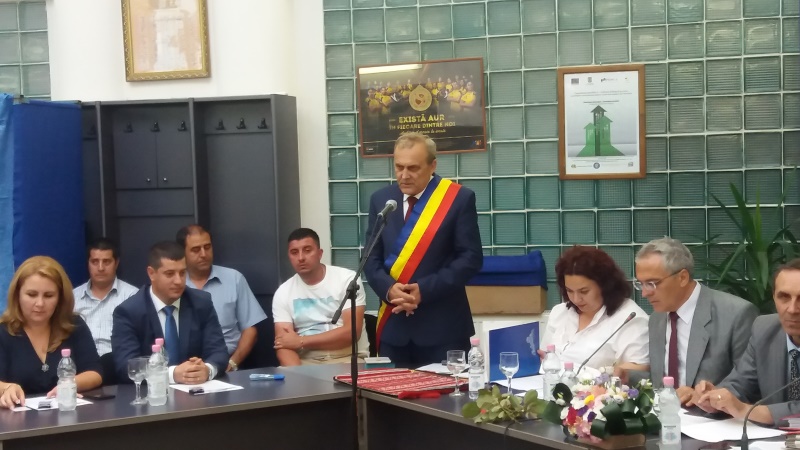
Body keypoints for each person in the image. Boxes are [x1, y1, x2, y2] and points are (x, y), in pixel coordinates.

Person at [364, 132, 483, 367]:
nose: (404, 175)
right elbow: (369, 258)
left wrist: (423, 290)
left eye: (413, 168)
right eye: (399, 167)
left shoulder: (458, 199)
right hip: (394, 328)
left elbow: (470, 259)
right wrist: (389, 290)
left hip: (443, 329)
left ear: (432, 166)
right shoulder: (381, 200)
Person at [630, 237, 758, 404]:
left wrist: (705, 397)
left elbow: (751, 384)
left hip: (714, 417)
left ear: (682, 277)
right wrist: (626, 376)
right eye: (641, 284)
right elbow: (660, 381)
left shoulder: (736, 314)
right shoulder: (657, 318)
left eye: (652, 283)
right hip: (666, 415)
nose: (645, 293)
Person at [694, 259, 800, 424]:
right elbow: (740, 384)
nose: (792, 309)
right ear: (774, 297)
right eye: (784, 297)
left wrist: (745, 410)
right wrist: (716, 398)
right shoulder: (764, 329)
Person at [111, 241, 228, 385]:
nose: (178, 281)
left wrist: (207, 370)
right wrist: (172, 374)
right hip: (151, 395)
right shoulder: (129, 312)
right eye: (170, 274)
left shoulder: (201, 303)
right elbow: (126, 365)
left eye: (182, 273)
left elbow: (219, 352)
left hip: (197, 392)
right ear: (151, 273)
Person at [0, 256, 102, 409]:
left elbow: (95, 372)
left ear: (60, 298)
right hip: (17, 418)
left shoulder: (74, 325)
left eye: (49, 296)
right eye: (32, 295)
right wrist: (6, 388)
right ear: (17, 295)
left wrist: (70, 384)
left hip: (68, 413)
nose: (40, 303)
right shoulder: (3, 331)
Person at [539, 246, 649, 373]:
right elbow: (544, 355)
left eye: (584, 291)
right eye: (569, 291)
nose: (576, 299)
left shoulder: (629, 317)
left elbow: (640, 368)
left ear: (605, 286)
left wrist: (606, 373)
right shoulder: (560, 312)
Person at [272, 228, 368, 365]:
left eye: (307, 250)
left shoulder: (348, 280)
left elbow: (351, 333)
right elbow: (283, 344)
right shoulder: (283, 292)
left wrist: (301, 341)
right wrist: (299, 374)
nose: (301, 258)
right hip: (305, 361)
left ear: (320, 253)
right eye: (294, 252)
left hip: (347, 358)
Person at [177, 225, 267, 372]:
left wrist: (232, 364)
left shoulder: (234, 279)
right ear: (183, 253)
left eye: (207, 247)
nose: (203, 254)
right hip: (185, 367)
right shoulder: (176, 284)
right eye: (196, 250)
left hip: (227, 364)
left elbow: (250, 330)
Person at [73, 238, 138, 356]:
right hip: (81, 361)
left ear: (116, 263)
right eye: (95, 262)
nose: (100, 268)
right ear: (88, 264)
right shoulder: (73, 297)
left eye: (106, 262)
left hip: (117, 361)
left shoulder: (133, 296)